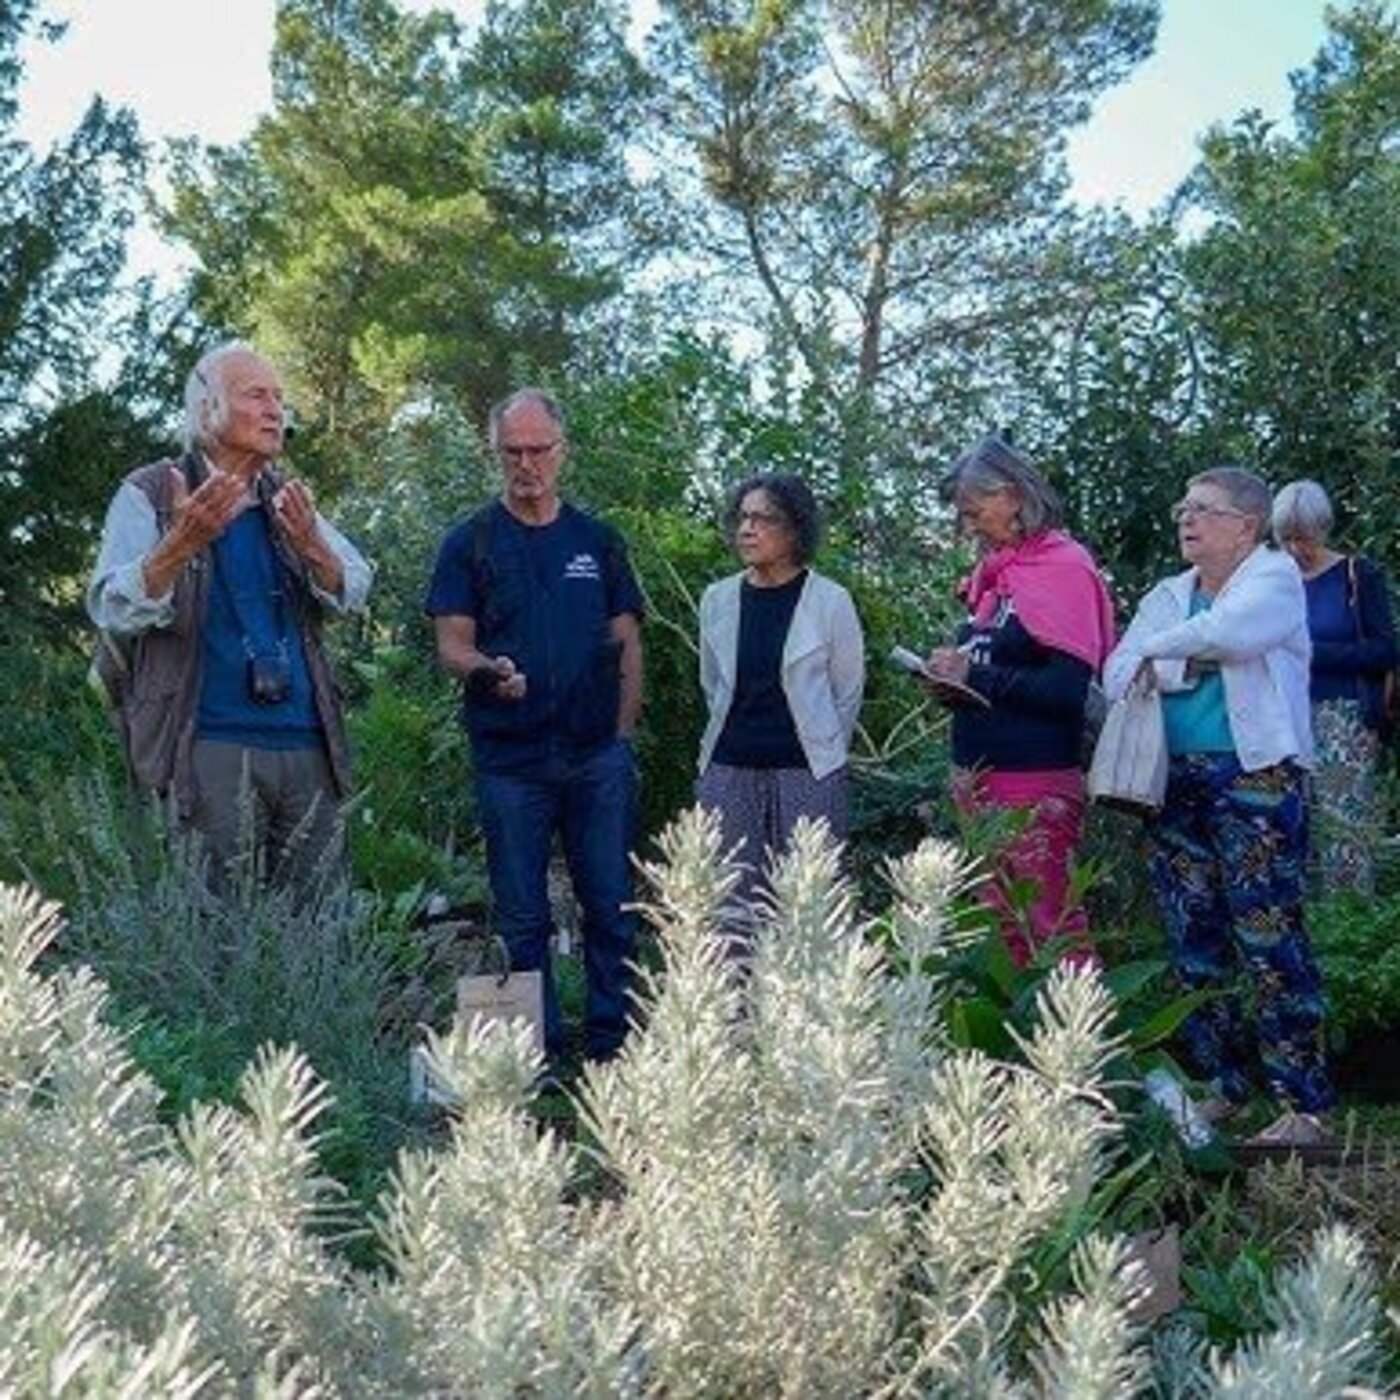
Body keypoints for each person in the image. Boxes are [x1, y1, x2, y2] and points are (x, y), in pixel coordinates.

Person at [88, 341, 373, 888]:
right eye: (256, 395)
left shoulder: (285, 498)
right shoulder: (150, 491)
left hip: (308, 742)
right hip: (206, 742)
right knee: (215, 929)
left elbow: (354, 586)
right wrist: (179, 544)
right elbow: (111, 607)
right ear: (206, 411)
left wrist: (314, 545)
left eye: (280, 398)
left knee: (318, 933)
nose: (276, 411)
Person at [1105, 466, 1334, 1144]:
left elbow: (1236, 635)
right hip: (1171, 781)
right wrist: (1181, 654)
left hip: (1256, 778)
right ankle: (1223, 1089)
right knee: (1193, 941)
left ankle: (1303, 1105)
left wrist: (1161, 655)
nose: (1187, 518)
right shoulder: (1169, 593)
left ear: (1247, 525)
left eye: (1204, 509)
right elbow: (1117, 671)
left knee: (1268, 933)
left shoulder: (1274, 577)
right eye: (1184, 507)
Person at [425, 388, 644, 1068]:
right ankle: (534, 1060)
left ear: (562, 451)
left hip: (595, 758)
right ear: (496, 455)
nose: (526, 464)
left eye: (538, 449)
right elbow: (451, 645)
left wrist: (622, 735)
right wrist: (488, 669)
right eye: (512, 452)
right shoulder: (469, 543)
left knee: (610, 906)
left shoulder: (597, 541)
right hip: (510, 762)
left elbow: (629, 642)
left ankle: (616, 1050)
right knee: (523, 920)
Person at [922, 436, 1114, 966]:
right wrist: (949, 679)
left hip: (1033, 781)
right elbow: (990, 671)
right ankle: (1025, 1042)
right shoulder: (995, 575)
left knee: (1050, 927)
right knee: (1003, 927)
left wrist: (976, 674)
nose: (968, 527)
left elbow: (1066, 690)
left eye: (973, 512)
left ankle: (1085, 1042)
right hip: (978, 774)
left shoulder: (1063, 566)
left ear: (1009, 495)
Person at [696, 474, 865, 942]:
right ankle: (735, 1012)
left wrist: (825, 751)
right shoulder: (718, 599)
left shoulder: (831, 601)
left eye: (762, 519)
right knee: (730, 908)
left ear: (794, 530)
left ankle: (813, 1012)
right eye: (742, 518)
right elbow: (712, 684)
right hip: (729, 768)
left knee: (810, 904)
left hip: (808, 771)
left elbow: (847, 692)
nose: (747, 529)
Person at [1272, 479, 1397, 894]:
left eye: (1302, 538)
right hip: (1282, 716)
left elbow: (1384, 650)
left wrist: (1309, 651)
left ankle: (1352, 923)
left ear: (1322, 529)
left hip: (1343, 716)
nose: (1294, 549)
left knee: (1344, 824)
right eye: (1285, 539)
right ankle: (1299, 920)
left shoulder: (1356, 575)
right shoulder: (1272, 581)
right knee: (1290, 821)